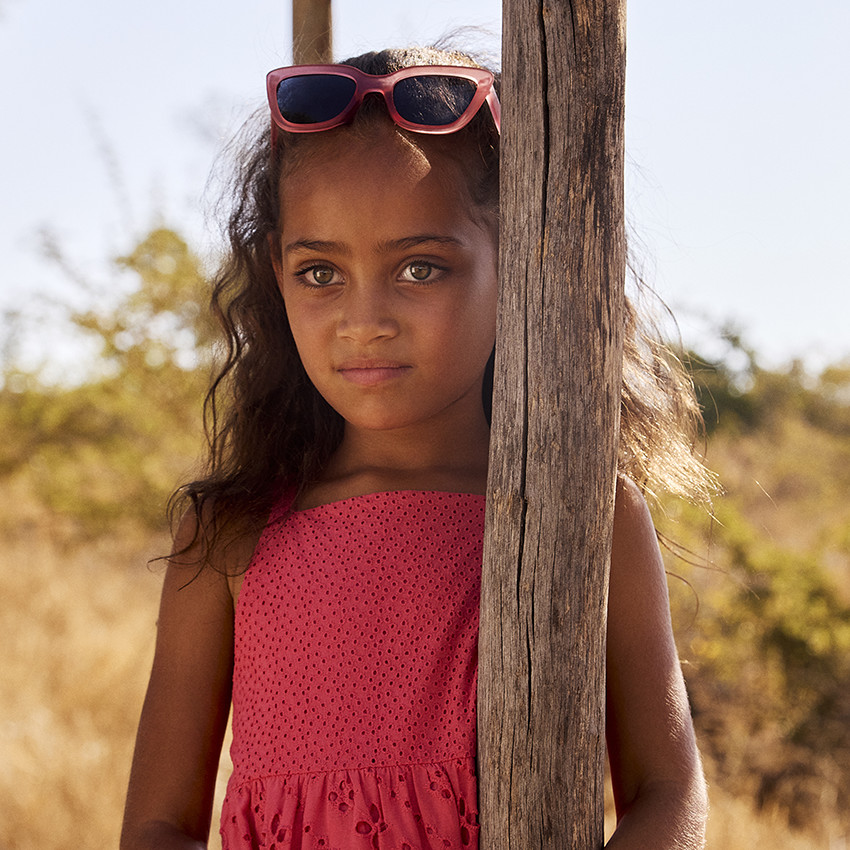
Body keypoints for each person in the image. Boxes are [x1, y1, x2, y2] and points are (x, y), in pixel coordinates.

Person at [121, 44, 713, 850]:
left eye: (421, 268)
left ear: (523, 266)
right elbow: (157, 825)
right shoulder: (230, 532)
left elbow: (669, 791)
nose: (365, 320)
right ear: (276, 273)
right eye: (321, 273)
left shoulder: (585, 512)